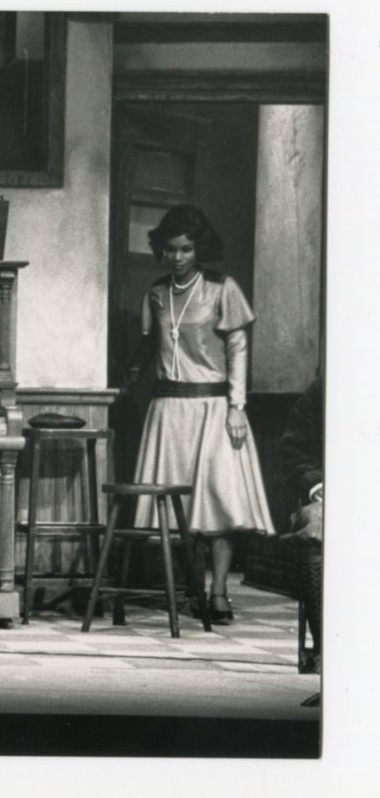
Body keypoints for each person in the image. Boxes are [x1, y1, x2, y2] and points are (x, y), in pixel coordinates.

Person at [123, 204, 273, 625]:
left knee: (219, 503)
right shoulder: (156, 293)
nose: (177, 257)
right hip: (169, 410)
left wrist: (237, 407)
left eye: (186, 249)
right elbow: (151, 345)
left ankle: (219, 591)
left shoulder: (223, 288)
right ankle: (190, 588)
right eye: (171, 249)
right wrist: (130, 377)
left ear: (199, 249)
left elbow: (238, 349)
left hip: (214, 408)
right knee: (179, 511)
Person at [279, 377, 323, 675]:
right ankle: (327, 648)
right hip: (338, 497)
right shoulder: (325, 389)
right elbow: (293, 452)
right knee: (315, 523)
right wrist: (318, 486)